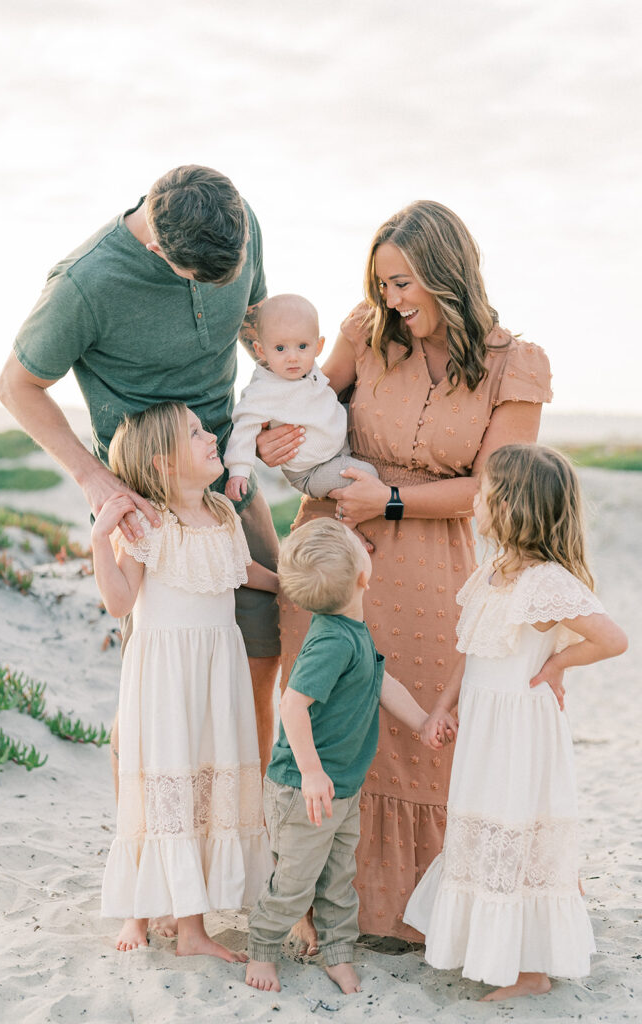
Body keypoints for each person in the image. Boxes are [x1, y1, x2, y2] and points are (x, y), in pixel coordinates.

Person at [258, 200, 553, 945]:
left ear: (447, 273)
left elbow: (495, 487)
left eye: (404, 283)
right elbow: (305, 405)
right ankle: (306, 905)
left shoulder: (514, 364)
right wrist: (272, 446)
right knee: (325, 721)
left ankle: (417, 917)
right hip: (331, 554)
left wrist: (389, 500)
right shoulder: (365, 333)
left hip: (428, 562)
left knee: (425, 731)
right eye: (383, 283)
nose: (393, 299)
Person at [0, 165, 281, 792]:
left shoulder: (237, 223)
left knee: (263, 650)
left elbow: (257, 329)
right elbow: (16, 387)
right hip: (146, 502)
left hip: (229, 475)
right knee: (156, 682)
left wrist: (273, 417)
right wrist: (93, 480)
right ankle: (147, 835)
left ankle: (246, 821)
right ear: (157, 246)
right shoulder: (84, 285)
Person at [403, 444, 628, 1000]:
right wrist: (441, 708)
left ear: (510, 505)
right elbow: (471, 650)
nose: (474, 501)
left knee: (517, 824)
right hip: (485, 729)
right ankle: (498, 949)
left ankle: (531, 971)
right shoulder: (492, 574)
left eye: (481, 494)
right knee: (486, 822)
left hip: (521, 732)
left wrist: (557, 662)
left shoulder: (545, 582)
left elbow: (612, 638)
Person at [93, 402, 276, 959]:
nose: (211, 436)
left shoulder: (222, 511)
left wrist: (295, 585)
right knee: (163, 784)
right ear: (163, 464)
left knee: (204, 781)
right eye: (195, 434)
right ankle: (154, 917)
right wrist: (101, 539)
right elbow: (120, 600)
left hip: (217, 672)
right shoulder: (148, 524)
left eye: (205, 428)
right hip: (165, 676)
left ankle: (185, 919)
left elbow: (245, 573)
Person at [245, 519, 448, 994]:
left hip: (342, 787)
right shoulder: (333, 640)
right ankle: (262, 947)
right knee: (295, 881)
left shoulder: (352, 629)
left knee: (339, 878)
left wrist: (420, 722)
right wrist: (312, 773)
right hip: (304, 789)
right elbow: (292, 703)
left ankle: (337, 953)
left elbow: (382, 682)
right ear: (364, 576)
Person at [224, 294, 378, 502]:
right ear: (261, 350)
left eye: (303, 346)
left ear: (318, 346)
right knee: (369, 474)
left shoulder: (306, 368)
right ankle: (351, 513)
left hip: (336, 446)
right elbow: (244, 429)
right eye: (280, 348)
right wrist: (238, 471)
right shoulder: (261, 392)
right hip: (312, 470)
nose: (292, 357)